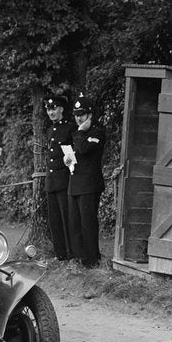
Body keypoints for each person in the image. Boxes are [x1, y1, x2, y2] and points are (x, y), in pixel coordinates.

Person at [66, 95, 106, 268]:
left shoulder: (97, 131)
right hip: (75, 183)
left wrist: (81, 131)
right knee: (74, 223)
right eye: (76, 115)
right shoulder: (77, 133)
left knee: (88, 223)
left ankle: (91, 260)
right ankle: (78, 258)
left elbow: (84, 148)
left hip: (89, 184)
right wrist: (67, 160)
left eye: (82, 114)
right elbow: (76, 153)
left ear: (90, 114)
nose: (78, 118)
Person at [43, 94, 75, 260]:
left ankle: (71, 253)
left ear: (61, 109)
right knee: (54, 220)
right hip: (51, 180)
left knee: (66, 217)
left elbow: (72, 155)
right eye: (48, 109)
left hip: (64, 179)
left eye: (54, 108)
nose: (51, 112)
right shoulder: (49, 130)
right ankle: (60, 254)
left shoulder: (69, 129)